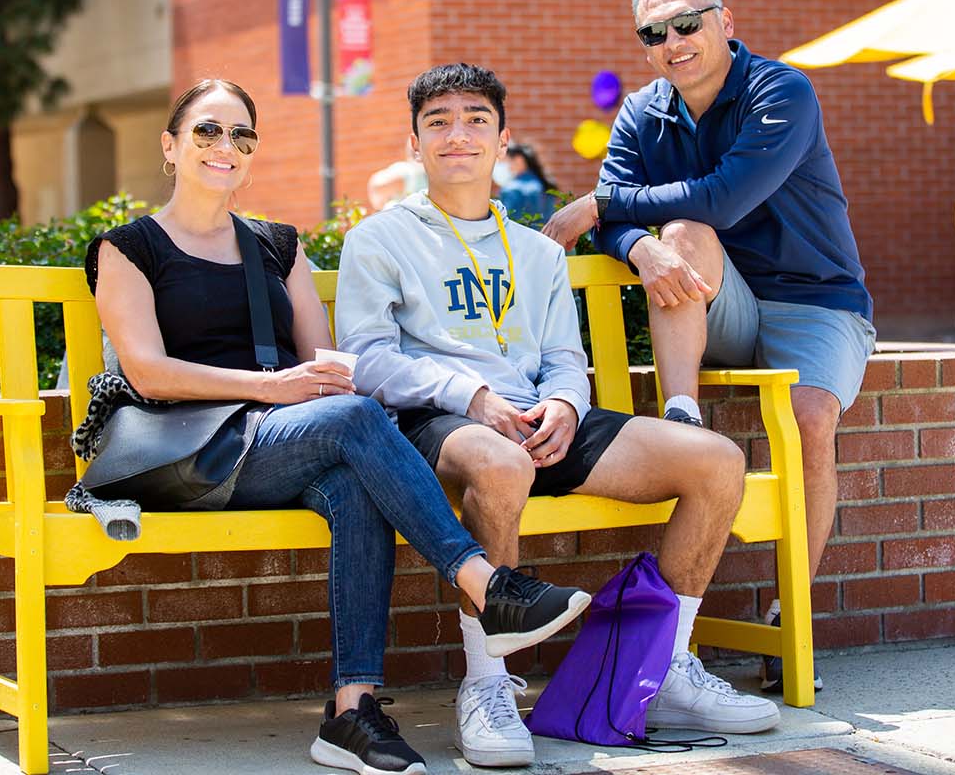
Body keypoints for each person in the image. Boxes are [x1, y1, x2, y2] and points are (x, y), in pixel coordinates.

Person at [87, 78, 591, 775]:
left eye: (241, 135)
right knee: (354, 420)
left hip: (277, 446)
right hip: (185, 453)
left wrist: (298, 392)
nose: (224, 147)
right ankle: (488, 585)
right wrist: (271, 388)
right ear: (170, 147)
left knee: (356, 474)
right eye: (206, 131)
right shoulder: (127, 248)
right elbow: (147, 373)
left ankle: (351, 714)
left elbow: (327, 370)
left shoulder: (277, 247)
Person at [336, 63, 780, 769]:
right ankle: (487, 686)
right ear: (414, 142)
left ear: (503, 138)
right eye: (439, 122)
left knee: (718, 462)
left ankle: (659, 669)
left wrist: (567, 406)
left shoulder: (537, 251)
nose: (459, 135)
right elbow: (367, 361)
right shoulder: (380, 239)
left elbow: (564, 359)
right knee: (500, 460)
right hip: (438, 425)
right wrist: (471, 396)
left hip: (542, 422)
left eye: (477, 120)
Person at [542, 0, 876, 695]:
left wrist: (601, 205)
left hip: (815, 298)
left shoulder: (781, 91)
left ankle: (796, 607)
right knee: (681, 234)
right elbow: (637, 228)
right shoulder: (640, 113)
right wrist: (637, 241)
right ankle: (683, 416)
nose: (674, 41)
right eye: (654, 33)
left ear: (726, 22)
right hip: (716, 296)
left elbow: (728, 196)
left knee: (811, 414)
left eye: (688, 23)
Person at [496, 142, 557, 223]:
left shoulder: (513, 189)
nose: (502, 164)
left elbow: (507, 222)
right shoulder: (542, 183)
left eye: (505, 160)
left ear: (518, 160)